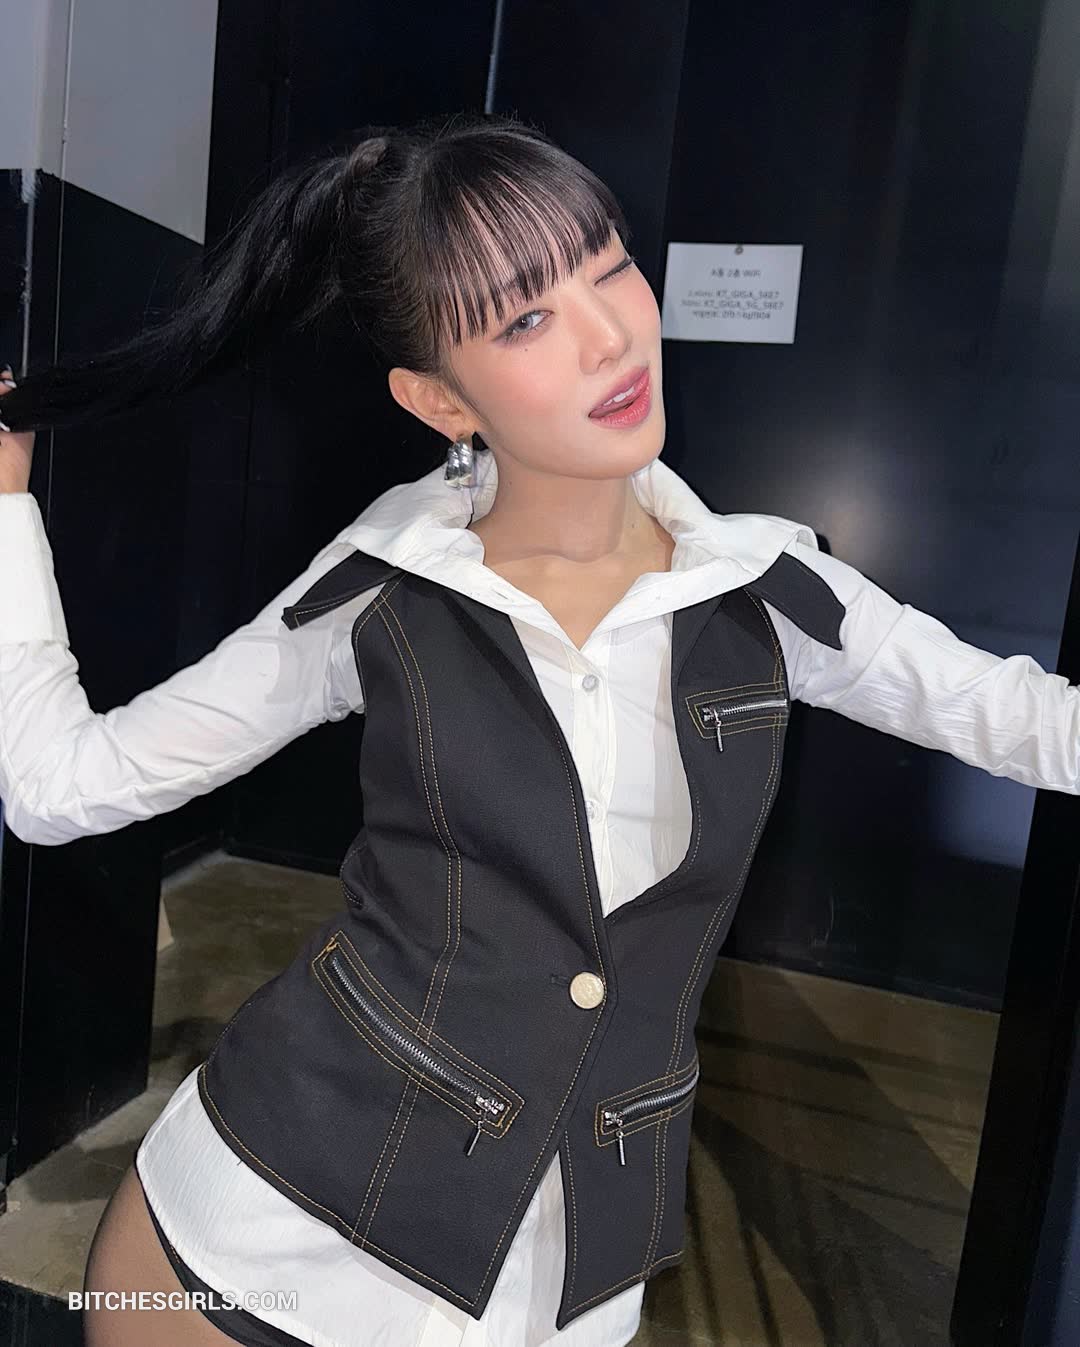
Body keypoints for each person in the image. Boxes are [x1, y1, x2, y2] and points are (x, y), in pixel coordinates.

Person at [1, 111, 1077, 1347]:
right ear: (438, 399)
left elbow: (1037, 725)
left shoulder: (774, 590)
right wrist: (5, 509)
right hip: (250, 1245)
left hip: (569, 1281)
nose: (610, 335)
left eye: (607, 265)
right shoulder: (378, 593)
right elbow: (59, 786)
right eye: (524, 319)